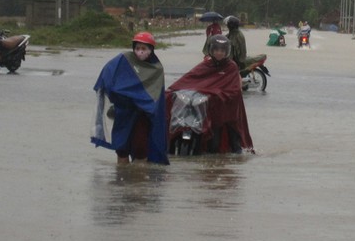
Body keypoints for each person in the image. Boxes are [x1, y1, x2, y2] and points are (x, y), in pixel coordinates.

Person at [91, 32, 169, 164]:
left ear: (151, 50)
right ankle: (122, 178)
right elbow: (108, 74)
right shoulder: (124, 59)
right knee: (121, 148)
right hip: (123, 111)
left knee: (140, 147)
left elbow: (156, 96)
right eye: (137, 48)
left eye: (144, 49)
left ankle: (139, 182)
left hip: (143, 114)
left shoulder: (157, 69)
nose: (140, 52)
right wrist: (116, 95)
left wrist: (144, 103)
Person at [168, 34, 254, 154]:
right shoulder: (206, 65)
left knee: (233, 144)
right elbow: (189, 78)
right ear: (211, 50)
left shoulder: (231, 67)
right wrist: (173, 89)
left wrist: (217, 94)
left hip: (226, 110)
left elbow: (234, 91)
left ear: (227, 52)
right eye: (216, 50)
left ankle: (236, 156)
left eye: (222, 50)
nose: (219, 53)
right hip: (208, 107)